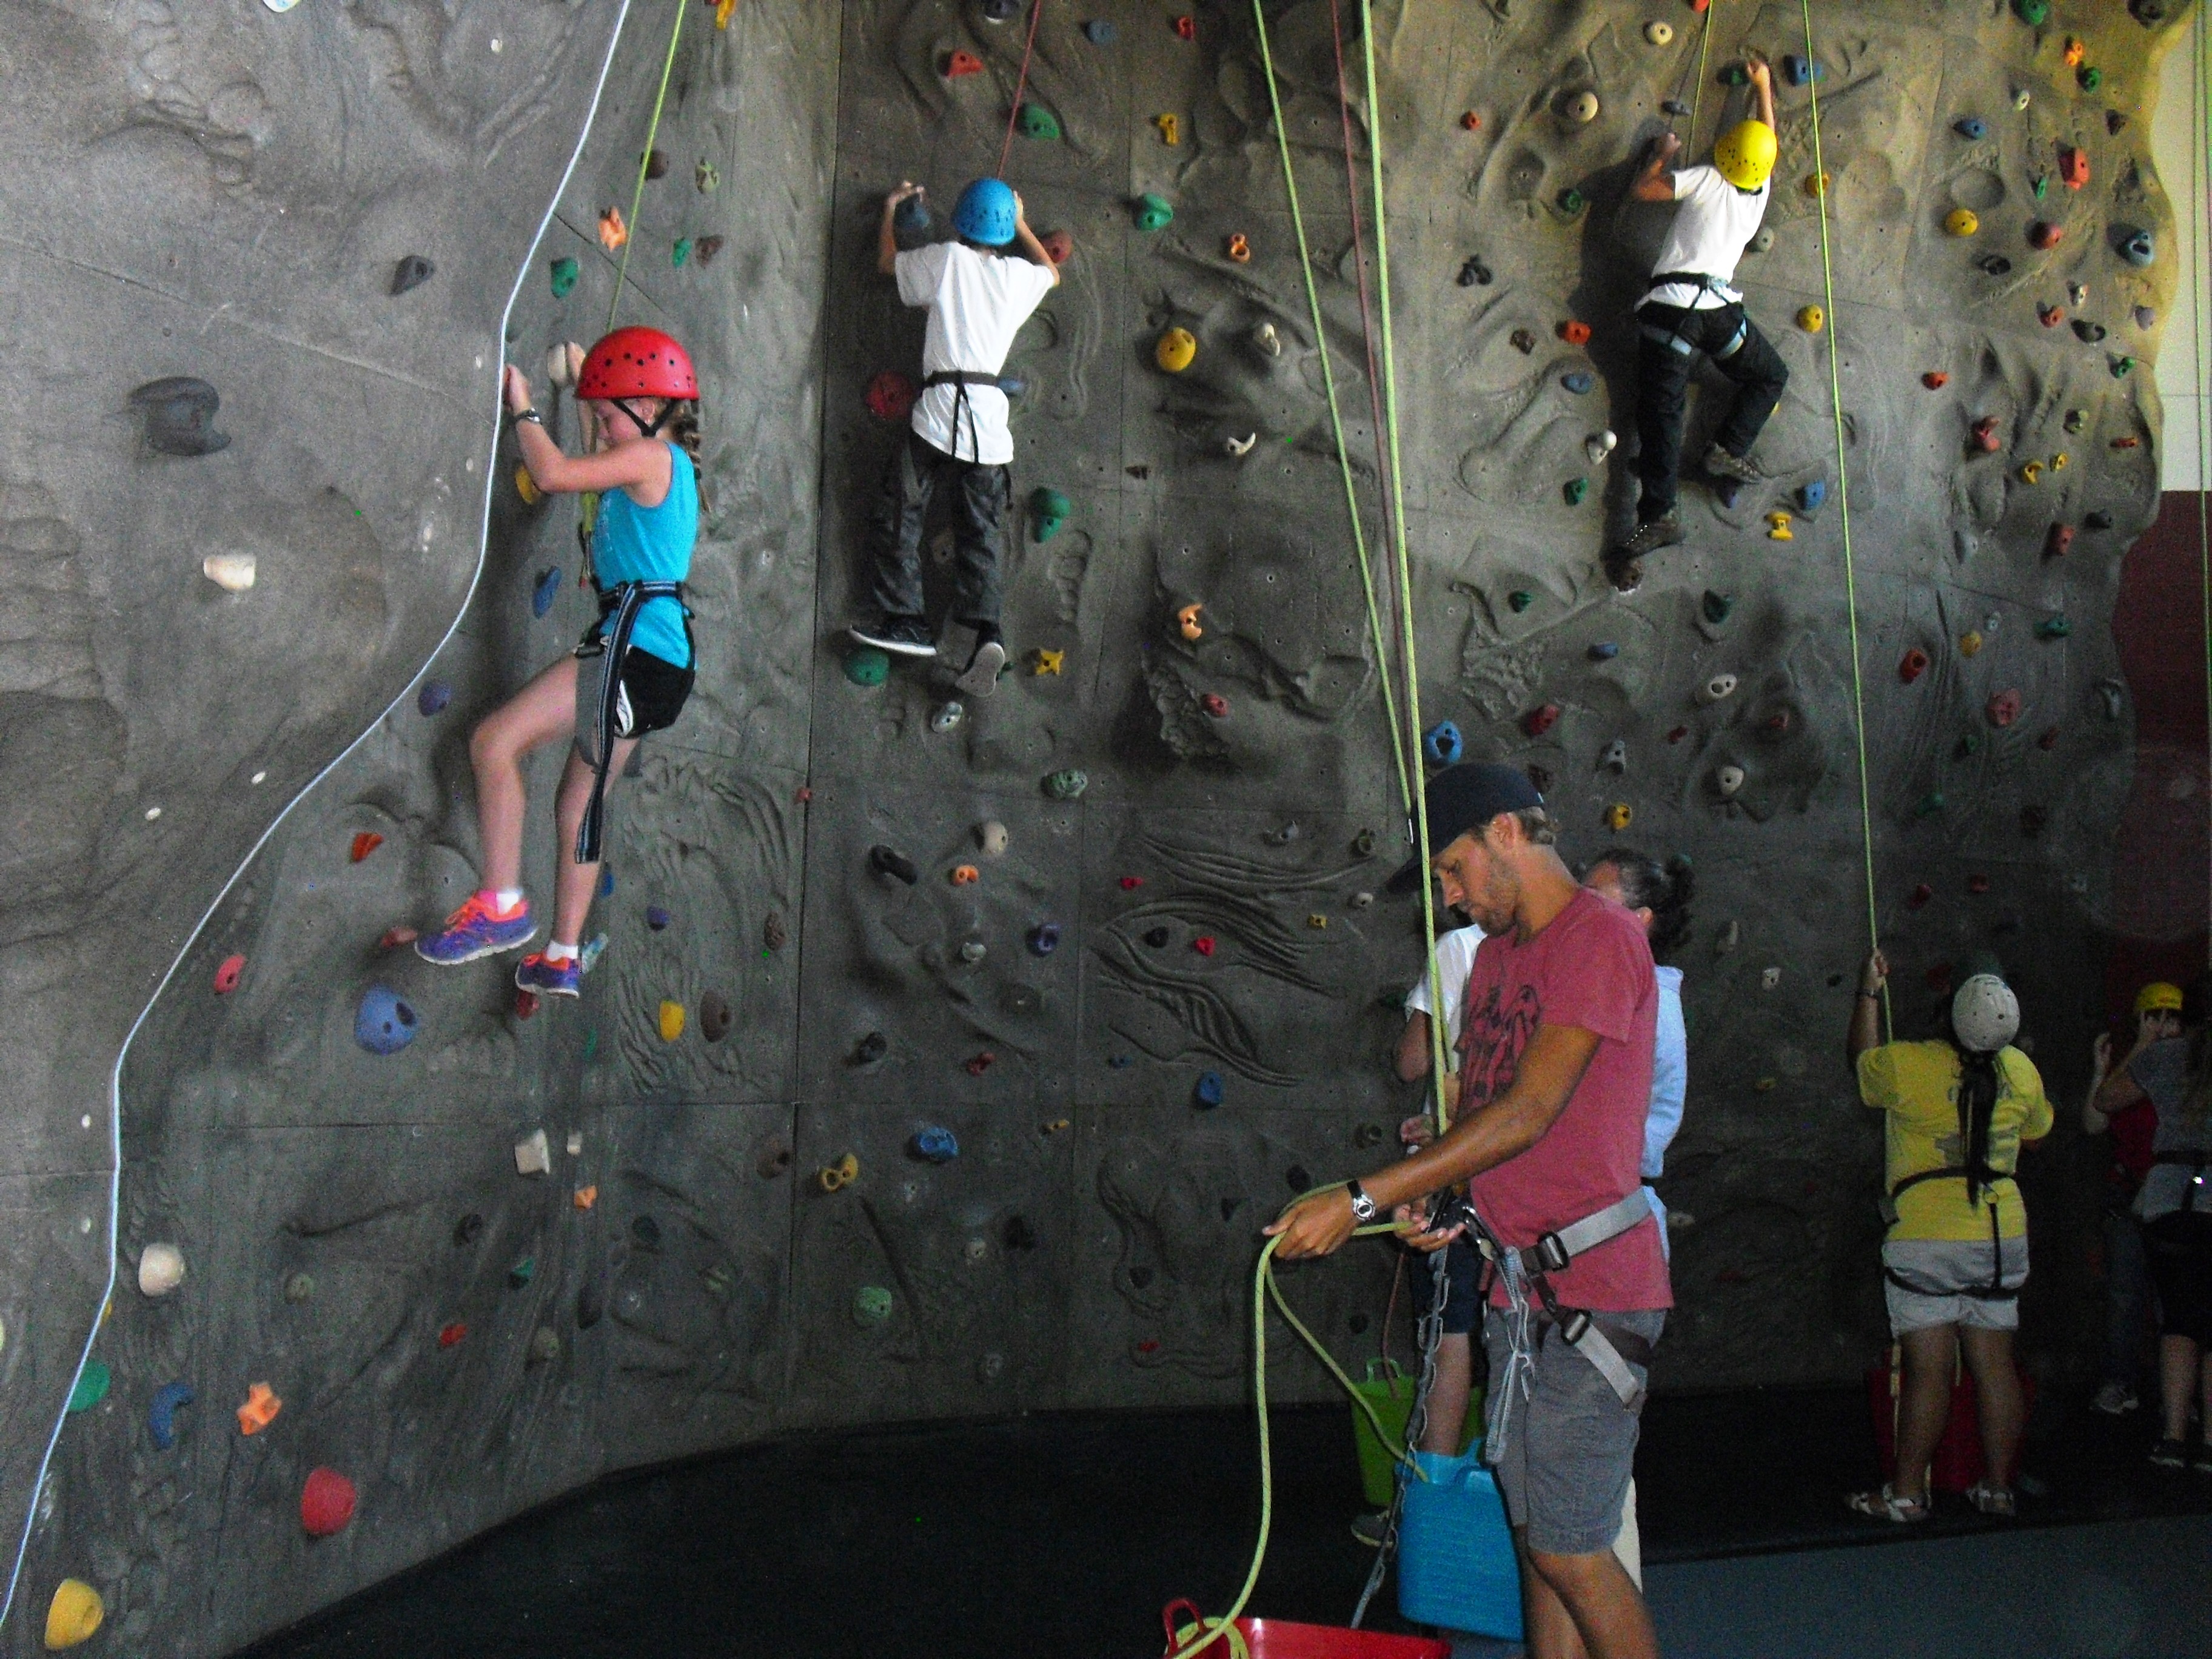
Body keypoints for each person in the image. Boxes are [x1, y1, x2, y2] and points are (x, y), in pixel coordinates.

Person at [1270, 763, 1667, 1659]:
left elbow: (1530, 1111)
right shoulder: (1492, 960)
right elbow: (1484, 1113)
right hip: (1517, 1290)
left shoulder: (1599, 939)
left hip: (1591, 1291)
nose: (1448, 895)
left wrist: (1367, 1193)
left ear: (1507, 834)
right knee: (1541, 1543)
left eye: (1452, 869)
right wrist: (1446, 1203)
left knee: (1573, 1550)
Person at [414, 328, 702, 998]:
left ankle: (501, 904)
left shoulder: (653, 457)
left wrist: (522, 404)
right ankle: (563, 952)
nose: (600, 427)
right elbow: (596, 456)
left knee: (495, 742)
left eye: (608, 414)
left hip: (634, 651)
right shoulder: (653, 460)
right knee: (578, 806)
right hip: (658, 662)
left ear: (647, 405)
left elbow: (553, 473)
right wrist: (584, 385)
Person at [1845, 955, 2051, 1520]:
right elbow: (2035, 1138)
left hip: (1928, 1237)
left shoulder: (1911, 1064)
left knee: (1930, 1371)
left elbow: (1861, 1065)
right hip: (2000, 1232)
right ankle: (1997, 1488)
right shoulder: (2022, 1070)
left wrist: (1868, 994)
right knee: (1995, 1366)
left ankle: (1909, 1495)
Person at [847, 176, 1061, 697]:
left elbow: (886, 265)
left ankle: (906, 619)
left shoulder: (944, 261)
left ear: (960, 219)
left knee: (903, 508)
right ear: (1006, 231)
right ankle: (983, 628)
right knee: (979, 533)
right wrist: (1024, 220)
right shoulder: (1015, 277)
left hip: (940, 414)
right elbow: (1051, 273)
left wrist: (891, 209)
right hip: (989, 425)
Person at [1609, 51, 1788, 592]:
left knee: (1662, 414)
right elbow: (1768, 146)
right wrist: (1764, 89)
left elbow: (1645, 192)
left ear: (1726, 151)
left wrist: (1661, 155)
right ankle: (1730, 447)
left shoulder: (1707, 178)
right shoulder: (1757, 196)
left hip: (1672, 314)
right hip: (1719, 316)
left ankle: (1660, 513)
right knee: (1769, 375)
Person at [1347, 912, 1487, 1548]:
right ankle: (1494, 1505)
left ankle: (1427, 1516)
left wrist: (1412, 1015)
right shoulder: (1560, 946)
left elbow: (1410, 1064)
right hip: (1529, 1180)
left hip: (1457, 1165)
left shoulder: (1458, 946)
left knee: (1448, 1330)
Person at [2088, 979, 2212, 1471]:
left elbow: (2106, 1100)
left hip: (2169, 1196)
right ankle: (2209, 1442)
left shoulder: (2167, 1058)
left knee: (2179, 1320)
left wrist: (2138, 1047)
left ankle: (2174, 1436)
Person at [1580, 851, 1695, 1258]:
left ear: (1640, 919)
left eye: (1594, 897)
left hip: (1609, 1216)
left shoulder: (1646, 1005)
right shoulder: (1627, 995)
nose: (1577, 908)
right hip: (1602, 1210)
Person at [2082, 982, 2183, 1416]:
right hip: (2129, 1195)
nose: (2163, 1027)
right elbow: (2094, 1121)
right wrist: (2116, 1061)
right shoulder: (2135, 1068)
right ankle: (2119, 1382)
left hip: (2173, 1195)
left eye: (2171, 1018)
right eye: (2153, 1017)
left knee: (2173, 1303)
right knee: (2125, 1297)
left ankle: (2174, 1395)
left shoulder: (2186, 1069)